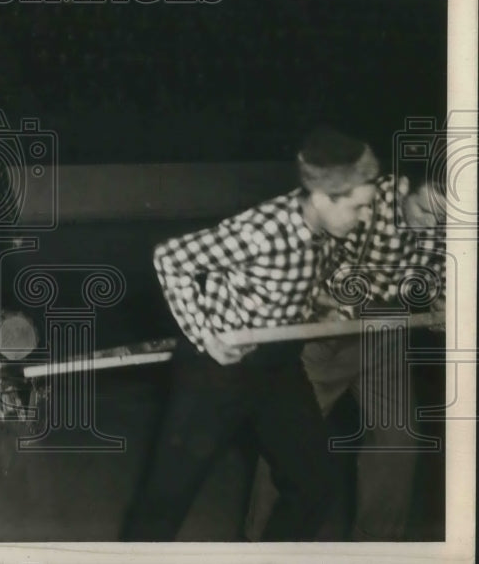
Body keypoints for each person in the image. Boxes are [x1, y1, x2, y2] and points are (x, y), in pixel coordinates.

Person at [119, 127, 380, 542]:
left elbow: (290, 282)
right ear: (320, 198)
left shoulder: (327, 228)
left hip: (278, 367)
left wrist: (324, 305)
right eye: (359, 207)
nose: (365, 217)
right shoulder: (262, 230)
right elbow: (171, 258)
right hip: (217, 370)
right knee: (165, 501)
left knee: (316, 485)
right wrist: (205, 336)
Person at [245, 156, 448, 541]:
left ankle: (375, 548)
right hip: (326, 339)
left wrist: (443, 304)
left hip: (386, 332)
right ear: (403, 186)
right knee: (289, 445)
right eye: (425, 211)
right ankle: (262, 546)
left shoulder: (443, 216)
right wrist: (325, 301)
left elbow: (442, 270)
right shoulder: (356, 199)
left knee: (398, 443)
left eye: (443, 220)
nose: (432, 226)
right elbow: (306, 260)